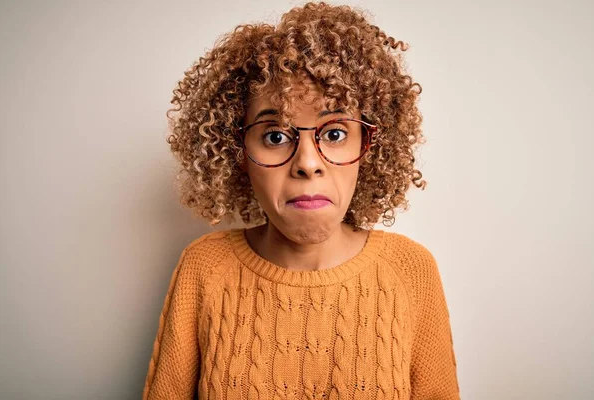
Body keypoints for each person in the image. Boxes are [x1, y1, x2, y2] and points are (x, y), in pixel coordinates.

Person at [142, 2, 460, 399]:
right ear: (236, 150)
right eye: (275, 136)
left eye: (335, 133)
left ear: (371, 144)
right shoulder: (204, 269)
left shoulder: (411, 271)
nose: (307, 164)